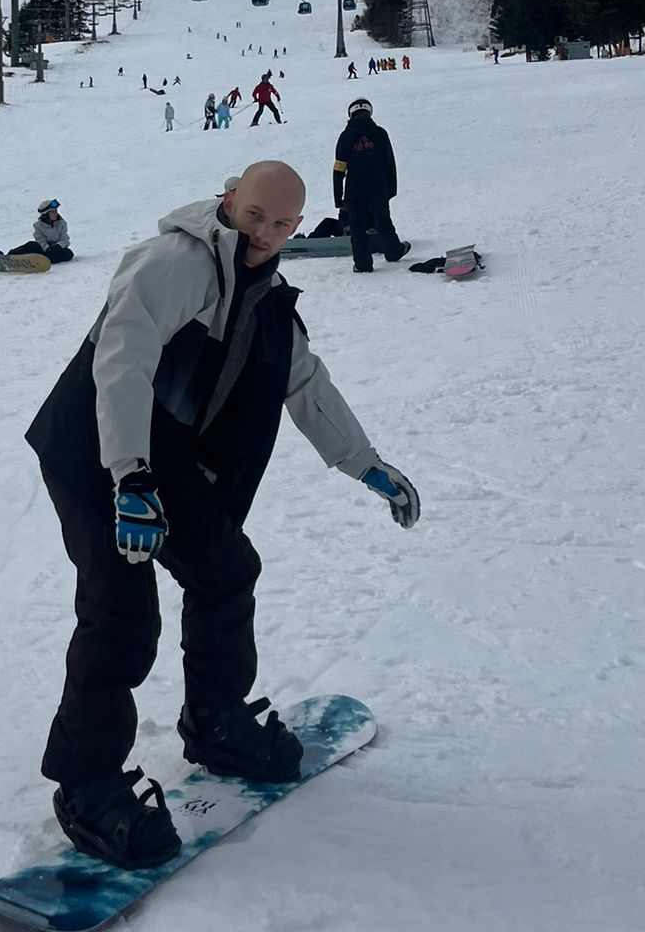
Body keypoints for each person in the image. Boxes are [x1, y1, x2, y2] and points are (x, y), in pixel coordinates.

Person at [25, 160, 420, 867]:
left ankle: (216, 722)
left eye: (282, 224)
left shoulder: (264, 291)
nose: (265, 233)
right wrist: (130, 476)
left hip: (160, 449)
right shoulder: (172, 263)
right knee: (121, 612)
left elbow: (303, 379)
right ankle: (87, 784)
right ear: (230, 200)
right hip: (93, 446)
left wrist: (365, 463)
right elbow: (121, 364)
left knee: (225, 570)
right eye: (255, 215)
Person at [333, 99, 408, 274]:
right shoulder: (380, 133)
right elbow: (390, 163)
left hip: (354, 191)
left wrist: (338, 197)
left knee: (357, 227)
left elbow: (339, 168)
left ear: (351, 114)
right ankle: (394, 251)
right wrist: (391, 190)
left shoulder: (346, 136)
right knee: (383, 222)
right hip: (379, 188)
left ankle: (362, 264)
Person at [6, 199, 74, 265]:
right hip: (43, 250)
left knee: (68, 253)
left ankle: (41, 260)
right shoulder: (38, 225)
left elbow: (65, 239)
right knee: (32, 245)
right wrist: (47, 248)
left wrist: (58, 246)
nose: (56, 213)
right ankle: (9, 256)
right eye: (53, 212)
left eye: (56, 211)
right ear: (46, 214)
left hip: (56, 251)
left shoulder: (62, 223)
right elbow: (40, 240)